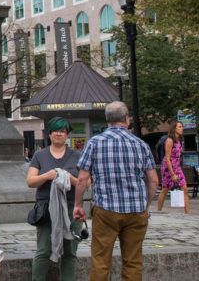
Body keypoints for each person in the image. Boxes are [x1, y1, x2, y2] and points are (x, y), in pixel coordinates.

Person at [73, 101, 157, 281]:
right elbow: (153, 180)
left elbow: (82, 179)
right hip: (136, 210)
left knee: (101, 260)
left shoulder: (95, 143)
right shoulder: (140, 144)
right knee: (133, 261)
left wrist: (78, 204)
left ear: (107, 120)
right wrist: (146, 206)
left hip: (106, 209)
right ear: (126, 119)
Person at [25, 117, 82, 281]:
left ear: (67, 135)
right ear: (49, 134)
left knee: (70, 251)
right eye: (55, 131)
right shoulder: (40, 155)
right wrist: (48, 175)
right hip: (46, 209)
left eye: (62, 131)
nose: (59, 134)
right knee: (43, 250)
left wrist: (69, 177)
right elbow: (30, 181)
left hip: (71, 209)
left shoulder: (77, 155)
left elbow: (86, 183)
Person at [156, 120, 189, 213]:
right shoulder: (170, 140)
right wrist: (172, 173)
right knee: (165, 189)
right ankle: (159, 210)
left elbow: (178, 156)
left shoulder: (179, 141)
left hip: (177, 166)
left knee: (185, 189)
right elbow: (167, 158)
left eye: (182, 127)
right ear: (174, 129)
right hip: (168, 167)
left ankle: (187, 213)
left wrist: (178, 168)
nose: (182, 128)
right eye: (179, 127)